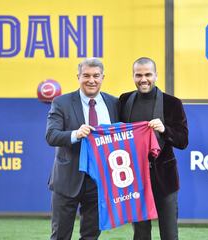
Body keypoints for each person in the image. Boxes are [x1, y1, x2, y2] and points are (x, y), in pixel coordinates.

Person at [46, 58, 119, 240]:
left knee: (91, 236)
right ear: (78, 77)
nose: (91, 80)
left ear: (103, 77)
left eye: (96, 76)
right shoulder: (61, 102)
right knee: (60, 236)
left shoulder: (115, 103)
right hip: (67, 179)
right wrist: (75, 134)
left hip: (99, 181)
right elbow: (51, 136)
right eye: (86, 76)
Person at [119, 57, 188, 240]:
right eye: (139, 75)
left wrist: (165, 129)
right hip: (135, 178)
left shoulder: (172, 103)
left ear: (156, 76)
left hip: (164, 178)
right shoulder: (124, 100)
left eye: (148, 74)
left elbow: (183, 141)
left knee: (169, 234)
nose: (143, 79)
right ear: (133, 76)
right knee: (140, 234)